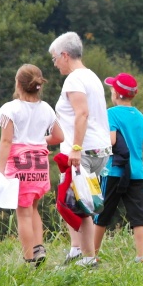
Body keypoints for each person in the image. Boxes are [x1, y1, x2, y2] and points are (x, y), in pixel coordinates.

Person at [49, 32, 112, 268]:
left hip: (82, 150)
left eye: (55, 58)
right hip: (99, 149)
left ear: (65, 55)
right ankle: (77, 250)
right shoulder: (91, 76)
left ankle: (88, 258)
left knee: (80, 204)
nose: (54, 64)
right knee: (69, 198)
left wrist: (75, 148)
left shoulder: (74, 80)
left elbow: (82, 114)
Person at [0, 64, 64, 267]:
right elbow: (59, 136)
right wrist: (40, 140)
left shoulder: (10, 109)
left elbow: (6, 141)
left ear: (18, 84)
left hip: (19, 165)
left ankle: (28, 259)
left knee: (22, 213)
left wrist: (1, 171)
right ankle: (39, 247)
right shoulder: (47, 109)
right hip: (40, 165)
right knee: (33, 208)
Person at [91, 73, 143, 264]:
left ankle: (92, 255)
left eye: (111, 90)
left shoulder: (111, 114)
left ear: (117, 94)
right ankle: (140, 256)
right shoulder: (140, 116)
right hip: (136, 173)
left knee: (102, 213)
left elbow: (110, 140)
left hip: (114, 171)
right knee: (139, 215)